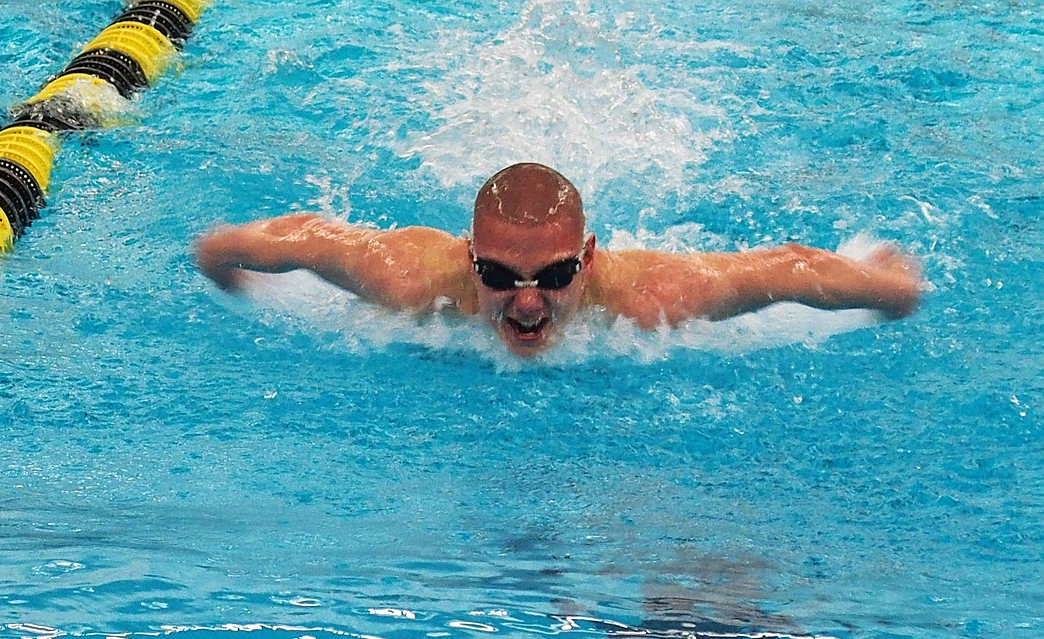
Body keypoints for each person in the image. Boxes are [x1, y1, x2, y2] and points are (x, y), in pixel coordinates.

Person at [194, 162, 923, 357]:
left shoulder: (647, 297)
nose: (528, 304)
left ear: (590, 258)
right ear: (469, 254)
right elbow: (296, 237)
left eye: (554, 276)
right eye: (500, 277)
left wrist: (888, 287)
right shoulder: (411, 277)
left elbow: (778, 268)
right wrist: (234, 272)